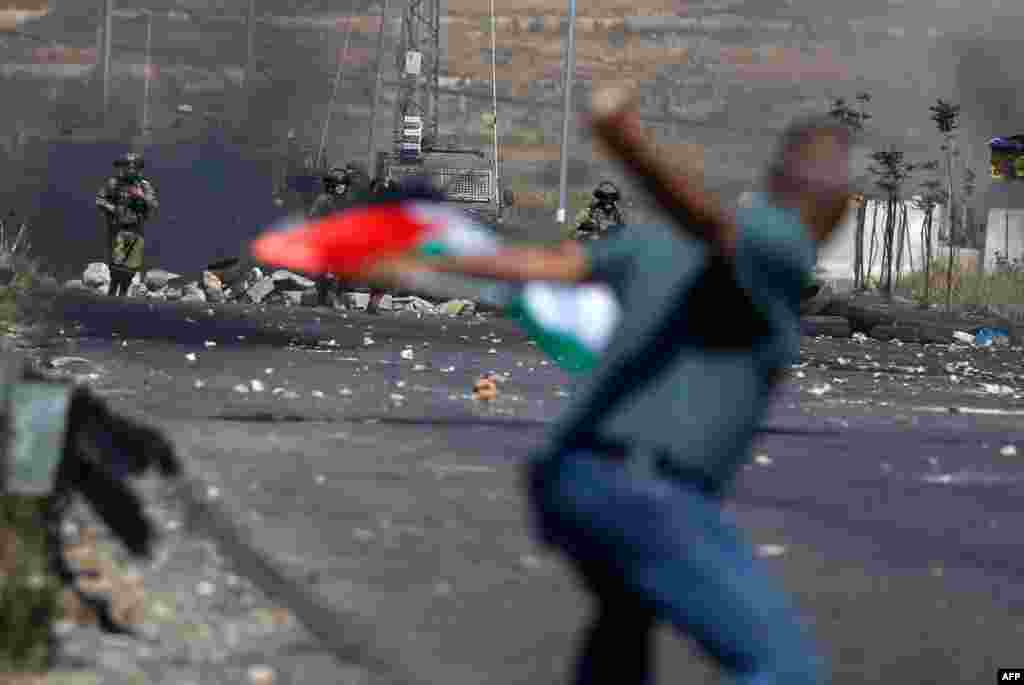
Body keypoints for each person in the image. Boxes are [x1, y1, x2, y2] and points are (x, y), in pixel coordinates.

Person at [366, 111, 853, 684]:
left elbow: (543, 264)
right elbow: (713, 227)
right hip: (645, 488)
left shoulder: (655, 241)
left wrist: (417, 262)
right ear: (832, 205)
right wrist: (627, 141)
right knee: (783, 666)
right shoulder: (782, 247)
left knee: (623, 627)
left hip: (569, 477)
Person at [96, 152, 158, 296]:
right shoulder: (114, 183)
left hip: (135, 229)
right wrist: (114, 209)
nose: (130, 169)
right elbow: (100, 200)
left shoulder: (144, 185)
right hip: (117, 228)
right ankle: (112, 290)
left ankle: (123, 292)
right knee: (116, 262)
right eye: (127, 166)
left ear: (138, 169)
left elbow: (153, 204)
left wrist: (141, 197)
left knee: (131, 264)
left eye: (134, 167)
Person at [308, 166, 350, 308]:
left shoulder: (344, 200)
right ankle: (323, 298)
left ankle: (332, 297)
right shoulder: (324, 200)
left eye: (343, 185)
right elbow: (313, 218)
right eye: (338, 185)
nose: (341, 188)